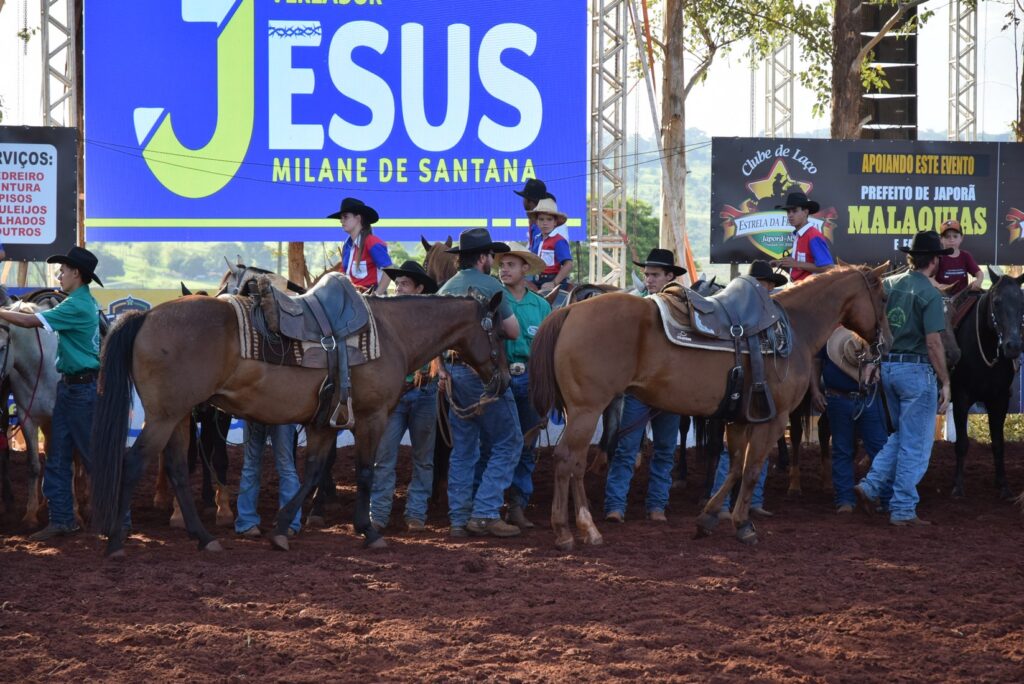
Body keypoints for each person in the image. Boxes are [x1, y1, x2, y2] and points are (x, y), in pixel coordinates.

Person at [0, 247, 103, 541]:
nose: (58, 274)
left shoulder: (77, 305)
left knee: (88, 458)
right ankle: (62, 520)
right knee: (57, 458)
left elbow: (32, 321)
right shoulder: (79, 302)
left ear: (77, 274)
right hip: (71, 388)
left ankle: (116, 520)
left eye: (63, 270)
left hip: (79, 390)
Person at [855, 230, 951, 526]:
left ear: (911, 257)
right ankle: (903, 509)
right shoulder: (930, 294)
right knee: (917, 444)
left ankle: (871, 485)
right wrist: (945, 381)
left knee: (902, 435)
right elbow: (934, 343)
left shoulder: (889, 284)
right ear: (934, 261)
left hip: (889, 368)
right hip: (917, 370)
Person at [437, 228, 524, 538]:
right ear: (483, 258)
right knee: (509, 440)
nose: (493, 261)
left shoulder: (446, 288)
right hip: (484, 374)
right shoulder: (490, 285)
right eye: (491, 256)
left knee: (463, 448)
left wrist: (441, 369)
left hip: (452, 373)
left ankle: (458, 519)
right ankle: (486, 511)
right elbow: (513, 331)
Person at [604, 248, 684, 523]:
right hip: (645, 389)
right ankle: (620, 506)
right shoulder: (638, 307)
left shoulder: (682, 310)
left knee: (661, 449)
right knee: (629, 448)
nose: (649, 280)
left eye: (654, 275)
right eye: (647, 275)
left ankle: (653, 506)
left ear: (669, 277)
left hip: (667, 390)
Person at [710, 261, 786, 518]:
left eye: (766, 285)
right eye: (764, 284)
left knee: (758, 445)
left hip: (754, 386)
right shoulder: (755, 315)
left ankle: (744, 501)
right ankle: (726, 502)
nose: (765, 289)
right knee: (737, 446)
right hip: (746, 387)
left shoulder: (765, 315)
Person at [369, 261, 440, 533]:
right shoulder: (387, 317)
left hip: (420, 390)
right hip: (398, 392)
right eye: (397, 284)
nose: (398, 288)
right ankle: (382, 514)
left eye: (404, 284)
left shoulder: (429, 319)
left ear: (419, 289)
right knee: (386, 456)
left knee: (420, 457)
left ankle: (413, 515)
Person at [495, 247, 551, 529]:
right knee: (496, 444)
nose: (504, 270)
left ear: (524, 270)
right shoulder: (494, 300)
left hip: (529, 378)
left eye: (511, 265)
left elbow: (548, 351)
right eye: (502, 265)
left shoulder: (541, 306)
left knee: (526, 446)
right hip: (500, 377)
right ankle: (492, 507)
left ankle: (516, 505)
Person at [810, 327, 889, 514]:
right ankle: (877, 497)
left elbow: (816, 362)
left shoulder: (832, 334)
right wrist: (815, 391)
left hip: (847, 397)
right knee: (872, 448)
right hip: (860, 397)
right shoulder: (871, 333)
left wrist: (815, 390)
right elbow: (815, 361)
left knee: (856, 448)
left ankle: (850, 499)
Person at [235, 421, 302, 538]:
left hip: (256, 412)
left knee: (250, 465)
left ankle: (246, 522)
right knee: (286, 466)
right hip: (282, 412)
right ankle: (290, 523)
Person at [329, 196, 393, 293]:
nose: (341, 221)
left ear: (358, 218)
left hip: (372, 300)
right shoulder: (347, 246)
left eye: (345, 217)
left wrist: (377, 294)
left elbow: (389, 269)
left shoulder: (372, 242)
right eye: (341, 218)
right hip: (353, 299)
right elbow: (343, 274)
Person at [770, 191, 834, 282]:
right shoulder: (798, 235)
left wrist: (796, 264)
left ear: (805, 212)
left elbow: (829, 268)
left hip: (810, 291)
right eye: (788, 212)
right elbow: (800, 270)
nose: (790, 215)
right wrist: (782, 264)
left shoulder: (813, 236)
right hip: (801, 289)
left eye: (794, 211)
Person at [527, 197, 573, 293]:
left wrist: (554, 282)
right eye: (541, 219)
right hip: (536, 279)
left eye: (549, 219)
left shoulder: (559, 240)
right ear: (537, 222)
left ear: (555, 222)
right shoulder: (537, 239)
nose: (545, 223)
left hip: (553, 280)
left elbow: (568, 264)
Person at [935, 219, 983, 294]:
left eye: (955, 236)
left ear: (961, 238)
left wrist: (978, 281)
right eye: (947, 237)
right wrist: (940, 286)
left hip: (962, 299)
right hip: (942, 299)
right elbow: (928, 277)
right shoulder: (937, 257)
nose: (951, 240)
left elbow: (979, 273)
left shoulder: (965, 256)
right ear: (941, 239)